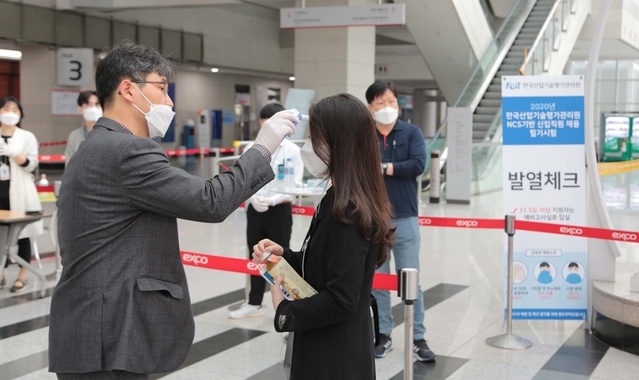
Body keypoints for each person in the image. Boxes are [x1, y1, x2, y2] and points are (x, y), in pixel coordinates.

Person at [48, 40, 299, 379]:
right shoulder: (127, 150)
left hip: (90, 327)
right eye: (162, 88)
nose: (169, 102)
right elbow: (209, 201)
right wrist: (264, 146)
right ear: (128, 90)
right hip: (112, 334)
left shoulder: (95, 145)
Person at [252, 93, 395, 380]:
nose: (309, 146)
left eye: (314, 138)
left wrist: (286, 311)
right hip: (326, 339)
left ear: (338, 143)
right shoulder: (338, 196)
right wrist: (286, 256)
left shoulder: (350, 210)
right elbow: (326, 263)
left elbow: (342, 299)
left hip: (335, 355)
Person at [366, 80, 435, 362]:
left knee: (411, 280)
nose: (387, 108)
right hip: (373, 219)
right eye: (381, 103)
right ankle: (382, 334)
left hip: (405, 217)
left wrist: (384, 167)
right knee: (378, 281)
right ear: (370, 107)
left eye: (391, 101)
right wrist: (393, 169)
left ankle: (418, 336)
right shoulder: (364, 135)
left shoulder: (411, 132)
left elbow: (419, 164)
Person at [229, 103, 303, 319]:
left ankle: (288, 304)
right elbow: (241, 179)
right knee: (256, 254)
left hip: (279, 210)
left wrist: (271, 200)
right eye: (264, 120)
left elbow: (295, 185)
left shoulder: (293, 151)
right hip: (255, 209)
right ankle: (254, 301)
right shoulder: (250, 149)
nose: (267, 124)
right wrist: (254, 198)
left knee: (281, 257)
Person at [0, 96, 43, 293]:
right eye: (6, 109)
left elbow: (32, 165)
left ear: (20, 115)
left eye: (15, 110)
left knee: (22, 235)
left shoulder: (27, 137)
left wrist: (13, 153)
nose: (10, 113)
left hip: (21, 192)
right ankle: (1, 273)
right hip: (1, 194)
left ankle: (22, 275)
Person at [64, 90, 102, 166]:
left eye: (97, 105)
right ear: (80, 109)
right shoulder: (74, 136)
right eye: (88, 105)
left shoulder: (111, 134)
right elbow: (69, 163)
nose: (93, 109)